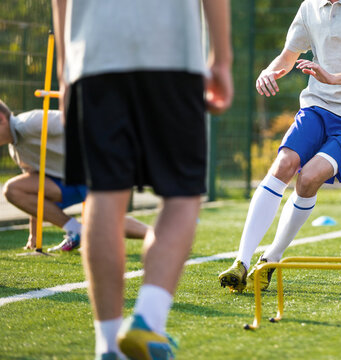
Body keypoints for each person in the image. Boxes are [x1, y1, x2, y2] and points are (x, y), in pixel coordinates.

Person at [52, 0, 233, 359]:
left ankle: (107, 344)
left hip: (94, 57)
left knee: (104, 194)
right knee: (182, 196)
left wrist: (65, 67)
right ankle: (148, 321)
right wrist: (221, 59)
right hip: (171, 55)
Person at [217, 0, 341, 293]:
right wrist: (269, 71)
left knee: (310, 176)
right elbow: (288, 57)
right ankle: (241, 262)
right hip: (319, 105)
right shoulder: (309, 6)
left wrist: (333, 78)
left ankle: (271, 258)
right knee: (284, 164)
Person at [0, 101, 150, 252]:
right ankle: (77, 231)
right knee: (13, 189)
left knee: (106, 221)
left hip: (95, 171)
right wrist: (34, 236)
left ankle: (157, 236)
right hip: (69, 183)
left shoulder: (31, 122)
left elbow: (78, 123)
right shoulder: (16, 151)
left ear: (1, 119)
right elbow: (36, 186)